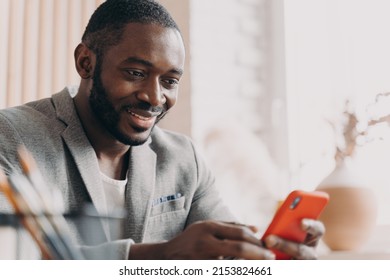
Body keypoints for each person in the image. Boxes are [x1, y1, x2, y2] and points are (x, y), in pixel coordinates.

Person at [0, 0, 324, 260]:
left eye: (170, 81)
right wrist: (162, 254)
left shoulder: (185, 159)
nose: (154, 97)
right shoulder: (11, 136)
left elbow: (224, 254)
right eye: (136, 72)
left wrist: (270, 258)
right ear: (86, 62)